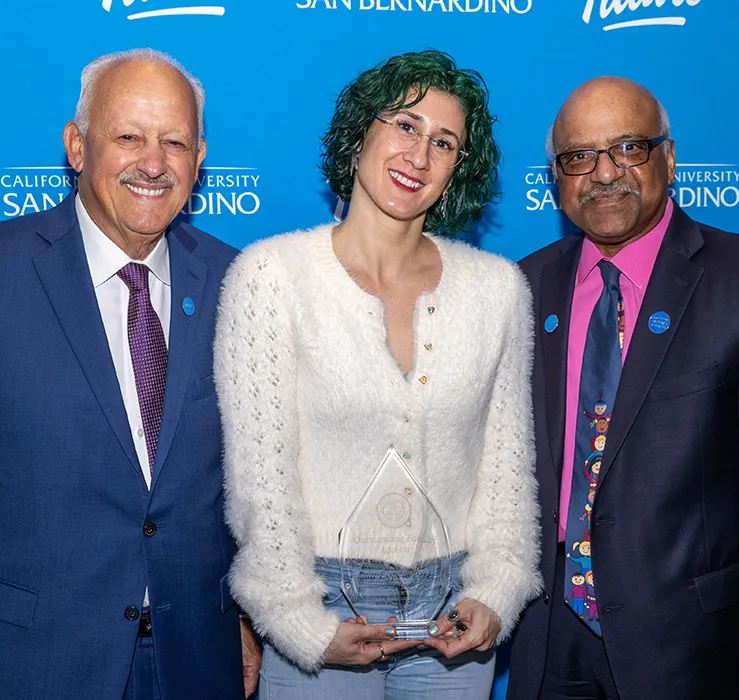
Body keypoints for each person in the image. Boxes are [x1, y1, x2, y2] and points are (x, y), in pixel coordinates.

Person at [0, 49, 259, 700]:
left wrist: (250, 615)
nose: (152, 163)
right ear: (77, 146)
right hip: (33, 660)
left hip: (198, 659)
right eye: (128, 137)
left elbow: (251, 481)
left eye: (174, 142)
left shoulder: (241, 282)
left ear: (200, 161)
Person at [212, 50, 542, 700]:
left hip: (452, 621)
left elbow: (505, 474)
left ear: (458, 172)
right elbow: (260, 482)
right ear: (361, 133)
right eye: (404, 125)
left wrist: (496, 591)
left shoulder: (498, 290)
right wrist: (300, 622)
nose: (419, 155)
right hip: (322, 609)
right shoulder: (271, 277)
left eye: (443, 142)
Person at [506, 77, 739, 700]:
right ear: (556, 177)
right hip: (549, 642)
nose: (603, 174)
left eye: (628, 148)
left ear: (670, 158)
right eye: (578, 157)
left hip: (691, 648)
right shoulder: (524, 287)